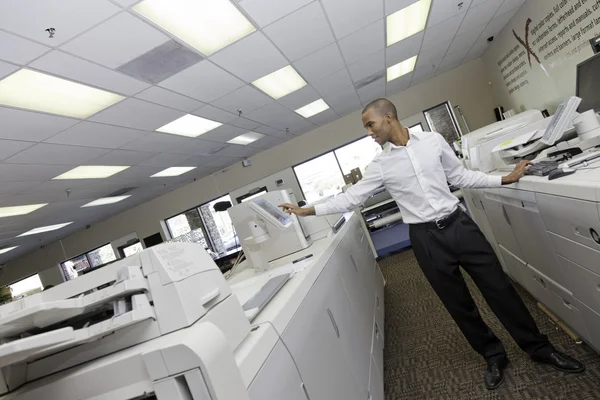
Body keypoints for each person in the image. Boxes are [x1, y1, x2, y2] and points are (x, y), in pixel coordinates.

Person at [279, 98, 584, 390]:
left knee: (500, 290)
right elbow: (352, 197)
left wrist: (506, 178)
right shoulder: (381, 165)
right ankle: (493, 356)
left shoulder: (433, 142)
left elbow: (461, 176)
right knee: (458, 306)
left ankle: (539, 348)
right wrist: (307, 210)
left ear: (389, 117)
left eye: (371, 125)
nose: (369, 133)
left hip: (460, 226)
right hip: (426, 240)